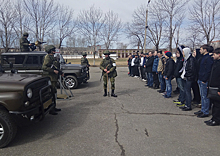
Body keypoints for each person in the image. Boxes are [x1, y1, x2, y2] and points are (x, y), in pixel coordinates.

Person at [42, 45, 63, 115]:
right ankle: (51, 109)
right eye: (53, 50)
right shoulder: (47, 57)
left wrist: (60, 72)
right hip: (50, 78)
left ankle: (54, 107)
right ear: (50, 51)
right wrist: (53, 71)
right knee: (51, 93)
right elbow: (44, 67)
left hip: (54, 78)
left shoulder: (53, 57)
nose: (54, 51)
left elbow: (56, 67)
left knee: (54, 93)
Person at [194, 44, 214, 118]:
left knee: (205, 96)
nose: (200, 51)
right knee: (202, 96)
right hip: (200, 78)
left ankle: (205, 111)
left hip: (204, 80)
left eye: (201, 49)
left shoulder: (208, 58)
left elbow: (208, 70)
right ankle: (202, 109)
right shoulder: (203, 57)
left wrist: (204, 79)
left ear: (205, 50)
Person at [205, 48, 220, 126]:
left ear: (219, 55)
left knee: (217, 105)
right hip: (212, 86)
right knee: (214, 104)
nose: (213, 56)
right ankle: (213, 118)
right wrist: (208, 85)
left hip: (217, 87)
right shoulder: (215, 62)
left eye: (214, 54)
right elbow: (211, 75)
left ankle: (216, 120)